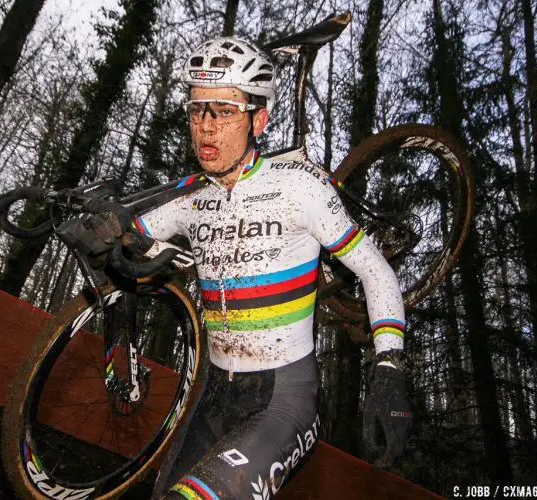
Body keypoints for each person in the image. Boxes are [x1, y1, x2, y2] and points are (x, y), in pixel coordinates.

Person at [114, 37, 412, 499]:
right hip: (212, 394)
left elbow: (375, 270)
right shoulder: (191, 200)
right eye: (197, 111)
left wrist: (389, 366)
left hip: (284, 401)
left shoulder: (300, 188)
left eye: (224, 111)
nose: (206, 128)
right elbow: (124, 238)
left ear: (260, 120)